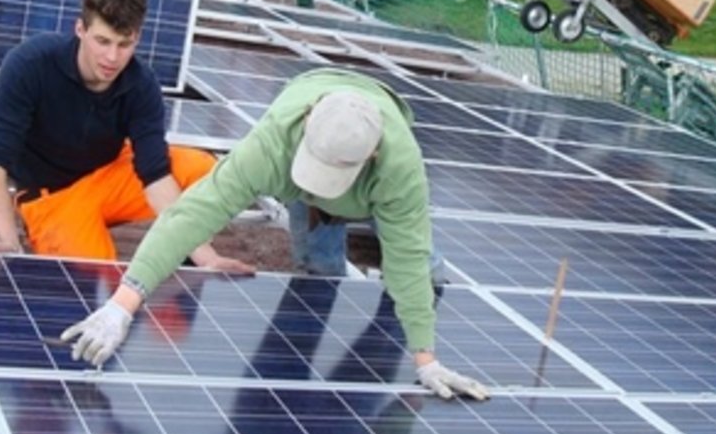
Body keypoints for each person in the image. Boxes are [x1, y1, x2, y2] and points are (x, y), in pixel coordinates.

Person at [61, 66, 491, 402]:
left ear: (373, 156)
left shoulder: (400, 171)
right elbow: (189, 216)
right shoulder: (270, 147)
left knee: (416, 271)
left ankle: (392, 352)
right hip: (305, 144)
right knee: (320, 268)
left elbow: (406, 263)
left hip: (377, 186)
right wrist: (123, 304)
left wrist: (426, 360)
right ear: (305, 123)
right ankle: (295, 384)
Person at [0, 0, 251, 271]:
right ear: (80, 29)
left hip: (110, 174)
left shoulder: (141, 84)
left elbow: (155, 175)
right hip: (53, 195)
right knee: (94, 284)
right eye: (102, 41)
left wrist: (208, 259)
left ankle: (182, 262)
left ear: (137, 38)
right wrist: (8, 240)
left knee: (204, 171)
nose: (112, 57)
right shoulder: (31, 64)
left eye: (124, 44)